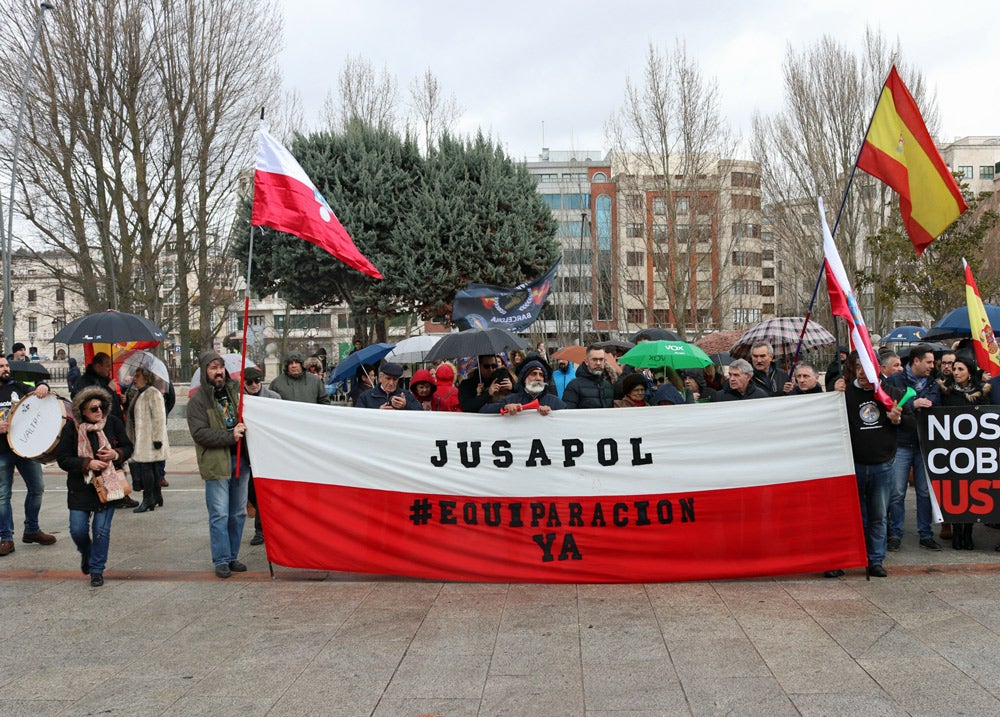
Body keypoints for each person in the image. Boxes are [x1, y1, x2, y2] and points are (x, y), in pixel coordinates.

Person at [827, 351, 908, 578]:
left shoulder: (890, 393)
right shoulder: (844, 393)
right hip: (851, 465)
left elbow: (912, 422)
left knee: (878, 515)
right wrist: (832, 396)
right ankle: (844, 558)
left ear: (877, 368)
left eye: (868, 366)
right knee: (851, 516)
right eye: (858, 366)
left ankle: (875, 560)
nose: (863, 372)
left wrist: (897, 419)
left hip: (882, 465)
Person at [57, 386, 134, 587]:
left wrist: (115, 454)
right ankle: (87, 553)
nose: (98, 411)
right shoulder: (71, 428)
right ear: (82, 411)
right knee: (77, 531)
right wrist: (87, 463)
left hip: (108, 487)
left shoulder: (113, 423)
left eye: (101, 407)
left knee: (101, 530)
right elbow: (63, 459)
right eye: (93, 408)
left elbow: (128, 447)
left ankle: (97, 570)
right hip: (80, 487)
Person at [186, 351, 249, 579]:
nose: (218, 371)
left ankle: (232, 555)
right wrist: (229, 436)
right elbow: (200, 433)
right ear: (205, 372)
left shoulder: (235, 393)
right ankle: (221, 558)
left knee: (238, 513)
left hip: (241, 459)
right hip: (216, 463)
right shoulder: (198, 402)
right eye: (213, 368)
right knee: (220, 514)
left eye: (220, 367)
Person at [884, 344, 942, 552]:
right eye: (928, 362)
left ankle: (925, 534)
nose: (931, 366)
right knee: (897, 492)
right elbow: (890, 403)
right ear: (916, 361)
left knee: (925, 492)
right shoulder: (894, 381)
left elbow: (935, 403)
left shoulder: (934, 382)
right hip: (901, 443)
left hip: (925, 445)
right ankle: (895, 534)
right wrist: (914, 404)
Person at [0, 356, 57, 556]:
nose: (5, 369)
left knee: (37, 488)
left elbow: (37, 389)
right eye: (1, 366)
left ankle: (31, 529)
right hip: (2, 453)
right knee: (2, 496)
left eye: (6, 365)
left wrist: (43, 387)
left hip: (25, 449)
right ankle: (6, 538)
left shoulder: (17, 386)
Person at [937, 355, 990, 550]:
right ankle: (956, 531)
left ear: (969, 371)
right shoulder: (945, 391)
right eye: (954, 368)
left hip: (974, 451)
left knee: (971, 491)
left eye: (960, 369)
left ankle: (968, 532)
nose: (956, 372)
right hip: (950, 451)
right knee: (955, 491)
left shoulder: (982, 392)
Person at [242, 366, 280, 546]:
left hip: (267, 452)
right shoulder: (239, 400)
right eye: (250, 382)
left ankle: (261, 530)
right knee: (252, 491)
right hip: (246, 452)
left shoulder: (273, 398)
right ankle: (260, 522)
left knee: (265, 492)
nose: (254, 385)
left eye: (257, 381)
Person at [125, 367, 169, 513]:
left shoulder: (152, 393)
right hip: (142, 437)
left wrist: (157, 438)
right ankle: (156, 496)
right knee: (151, 468)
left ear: (146, 377)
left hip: (150, 438)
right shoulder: (140, 393)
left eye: (137, 376)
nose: (134, 379)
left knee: (146, 468)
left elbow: (159, 417)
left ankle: (148, 498)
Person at [481, 359, 566, 415]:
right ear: (524, 379)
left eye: (541, 375)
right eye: (533, 374)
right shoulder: (511, 400)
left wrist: (553, 414)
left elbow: (569, 418)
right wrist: (504, 407)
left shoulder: (555, 402)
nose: (538, 378)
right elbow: (483, 411)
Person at [356, 362, 423, 410]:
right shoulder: (365, 396)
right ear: (380, 377)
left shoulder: (406, 395)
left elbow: (420, 412)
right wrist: (378, 412)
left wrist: (405, 405)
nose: (391, 383)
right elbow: (359, 418)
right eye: (388, 378)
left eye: (395, 379)